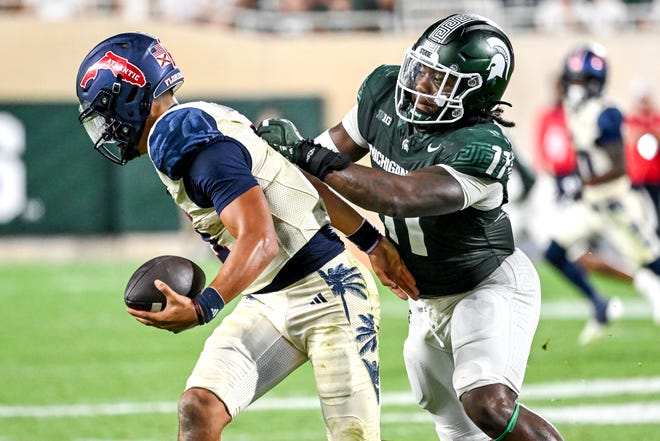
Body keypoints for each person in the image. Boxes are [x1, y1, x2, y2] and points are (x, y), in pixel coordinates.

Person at [75, 32, 417, 441]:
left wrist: (204, 305)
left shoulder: (182, 140)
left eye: (106, 111)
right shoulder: (200, 118)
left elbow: (260, 238)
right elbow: (297, 181)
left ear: (132, 96)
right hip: (270, 299)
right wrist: (371, 243)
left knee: (353, 436)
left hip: (330, 297)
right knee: (199, 408)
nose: (105, 126)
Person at [258, 13, 564, 441]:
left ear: (477, 93)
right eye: (421, 70)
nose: (419, 85)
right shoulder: (384, 92)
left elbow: (400, 195)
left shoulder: (483, 146)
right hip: (425, 300)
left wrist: (305, 154)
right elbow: (315, 165)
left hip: (485, 285)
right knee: (455, 426)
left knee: (488, 405)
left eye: (440, 81)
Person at [540, 43, 660, 344]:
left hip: (617, 203)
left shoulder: (606, 113)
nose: (576, 86)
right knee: (553, 251)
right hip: (592, 205)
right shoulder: (571, 107)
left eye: (583, 80)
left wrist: (583, 183)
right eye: (574, 79)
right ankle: (599, 304)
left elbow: (619, 166)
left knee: (652, 262)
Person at [624, 76, 660, 235]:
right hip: (638, 176)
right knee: (639, 215)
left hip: (655, 176)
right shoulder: (631, 119)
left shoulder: (656, 117)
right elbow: (633, 137)